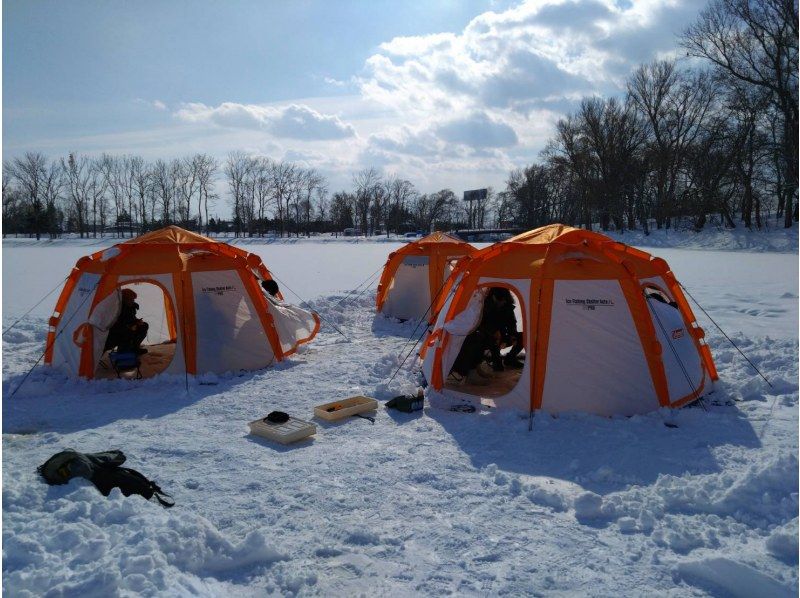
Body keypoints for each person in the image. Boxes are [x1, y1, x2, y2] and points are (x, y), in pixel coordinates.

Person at [479, 287, 524, 371]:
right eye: (500, 300)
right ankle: (496, 361)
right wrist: (494, 332)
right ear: (493, 297)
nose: (502, 303)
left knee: (523, 337)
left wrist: (512, 335)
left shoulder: (508, 307)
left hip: (503, 336)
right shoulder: (485, 307)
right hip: (488, 336)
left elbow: (512, 323)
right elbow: (481, 325)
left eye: (504, 301)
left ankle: (510, 358)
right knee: (491, 338)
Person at [105, 288, 149, 355]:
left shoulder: (131, 307)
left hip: (128, 328)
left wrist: (137, 321)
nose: (133, 301)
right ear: (125, 299)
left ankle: (135, 348)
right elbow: (114, 325)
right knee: (128, 332)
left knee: (144, 326)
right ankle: (124, 350)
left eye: (133, 299)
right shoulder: (117, 309)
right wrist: (129, 327)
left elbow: (131, 319)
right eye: (131, 299)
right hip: (116, 333)